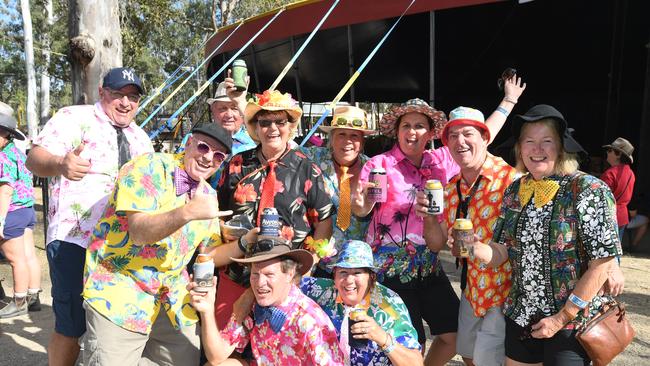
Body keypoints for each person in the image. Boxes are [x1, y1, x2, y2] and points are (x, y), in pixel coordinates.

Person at [352, 76, 526, 365]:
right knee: (410, 342)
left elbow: (481, 135)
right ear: (397, 131)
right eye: (406, 125)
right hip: (390, 268)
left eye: (420, 125)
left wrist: (509, 101)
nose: (412, 132)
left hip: (429, 265)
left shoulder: (441, 160)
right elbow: (361, 209)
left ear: (430, 132)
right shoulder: (379, 164)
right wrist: (363, 204)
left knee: (454, 335)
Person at [468, 104, 623, 365]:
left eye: (546, 141)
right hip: (522, 316)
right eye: (529, 141)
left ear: (561, 147)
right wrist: (475, 247)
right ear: (519, 148)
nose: (536, 149)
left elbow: (602, 263)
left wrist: (561, 318)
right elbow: (501, 252)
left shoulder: (588, 188)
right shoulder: (515, 190)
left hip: (573, 323)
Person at [26, 67, 154, 366]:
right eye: (117, 94)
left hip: (122, 248)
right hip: (75, 239)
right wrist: (60, 163)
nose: (125, 103)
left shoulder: (141, 138)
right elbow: (34, 159)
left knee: (113, 323)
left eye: (133, 97)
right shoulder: (73, 117)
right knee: (70, 324)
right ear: (101, 92)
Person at [81, 123, 234, 364]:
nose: (207, 157)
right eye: (203, 147)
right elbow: (139, 232)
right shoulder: (148, 166)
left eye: (217, 156)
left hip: (172, 299)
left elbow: (209, 252)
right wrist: (187, 212)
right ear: (189, 142)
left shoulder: (208, 194)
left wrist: (247, 243)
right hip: (122, 290)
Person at [215, 89, 333, 328]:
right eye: (265, 122)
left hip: (286, 280)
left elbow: (324, 222)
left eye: (280, 121)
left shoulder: (307, 169)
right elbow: (218, 213)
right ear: (255, 128)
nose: (272, 128)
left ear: (290, 126)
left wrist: (308, 266)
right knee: (224, 346)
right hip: (237, 273)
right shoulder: (237, 164)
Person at [414, 107, 518, 366]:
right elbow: (437, 243)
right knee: (469, 355)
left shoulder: (511, 180)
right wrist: (428, 215)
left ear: (485, 138)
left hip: (505, 292)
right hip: (472, 290)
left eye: (468, 134)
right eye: (453, 136)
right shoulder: (451, 188)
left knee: (488, 360)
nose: (460, 141)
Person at [189, 231, 345, 365]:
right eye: (255, 274)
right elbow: (216, 356)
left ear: (289, 275)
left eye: (269, 274)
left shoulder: (310, 321)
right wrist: (207, 310)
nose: (260, 283)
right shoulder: (250, 304)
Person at [301, 240, 422, 365]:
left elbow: (416, 363)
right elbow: (287, 283)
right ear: (335, 276)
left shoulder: (390, 305)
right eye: (343, 272)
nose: (349, 280)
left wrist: (382, 338)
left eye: (357, 273)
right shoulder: (321, 291)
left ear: (371, 277)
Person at [301, 106, 375, 275]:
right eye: (341, 134)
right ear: (331, 138)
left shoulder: (373, 169)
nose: (348, 141)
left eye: (354, 135)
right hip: (320, 262)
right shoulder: (313, 158)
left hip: (359, 265)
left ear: (362, 142)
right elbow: (278, 146)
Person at [0, 112, 41, 319]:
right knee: (29, 256)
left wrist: (0, 221)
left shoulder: (2, 157)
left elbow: (5, 190)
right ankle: (33, 297)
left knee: (16, 260)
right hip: (26, 209)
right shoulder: (17, 153)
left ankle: (18, 302)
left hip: (12, 211)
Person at [207, 77, 256, 186]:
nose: (229, 115)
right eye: (222, 109)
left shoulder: (256, 142)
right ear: (213, 111)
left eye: (234, 108)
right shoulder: (196, 140)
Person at [601, 137, 635, 240]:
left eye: (610, 150)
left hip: (609, 216)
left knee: (605, 253)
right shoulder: (631, 173)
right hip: (623, 217)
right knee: (616, 251)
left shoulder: (610, 174)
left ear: (618, 154)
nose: (607, 152)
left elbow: (601, 198)